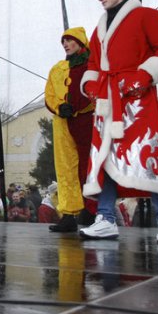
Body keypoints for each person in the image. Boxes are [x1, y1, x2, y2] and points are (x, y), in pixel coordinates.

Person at [78, 0, 158, 245]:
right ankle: (106, 218)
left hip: (137, 99)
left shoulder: (147, 16)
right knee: (105, 160)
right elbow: (93, 64)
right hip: (107, 101)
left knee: (150, 156)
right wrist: (90, 85)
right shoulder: (100, 27)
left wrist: (144, 77)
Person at [44, 27, 96, 232]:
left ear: (81, 42)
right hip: (63, 122)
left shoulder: (94, 65)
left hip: (88, 120)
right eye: (63, 41)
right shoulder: (58, 69)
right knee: (65, 169)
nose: (65, 44)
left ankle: (93, 210)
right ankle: (68, 213)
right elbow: (49, 94)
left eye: (69, 40)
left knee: (89, 166)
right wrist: (59, 106)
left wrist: (87, 106)